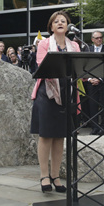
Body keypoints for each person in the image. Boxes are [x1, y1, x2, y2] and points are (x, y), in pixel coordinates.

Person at [30, 10, 79, 193]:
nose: (60, 23)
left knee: (60, 137)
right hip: (47, 93)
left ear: (67, 26)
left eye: (63, 21)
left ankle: (56, 175)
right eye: (56, 21)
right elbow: (43, 66)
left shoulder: (75, 45)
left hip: (68, 93)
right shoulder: (44, 44)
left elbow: (78, 69)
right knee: (46, 135)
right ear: (51, 26)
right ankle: (44, 175)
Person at [86, 30, 104, 135]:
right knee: (92, 105)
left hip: (103, 82)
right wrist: (89, 79)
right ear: (92, 39)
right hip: (90, 83)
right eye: (97, 38)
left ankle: (103, 127)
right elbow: (84, 66)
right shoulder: (87, 50)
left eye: (101, 37)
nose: (99, 39)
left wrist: (100, 78)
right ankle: (94, 127)